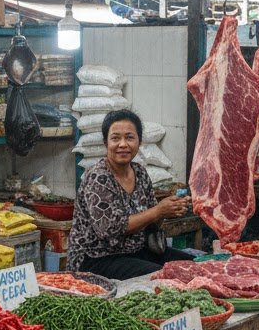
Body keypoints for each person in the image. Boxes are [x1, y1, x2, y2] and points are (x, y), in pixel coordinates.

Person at [68, 109, 192, 279]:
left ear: (139, 142)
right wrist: (158, 211)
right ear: (105, 142)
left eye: (129, 137)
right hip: (97, 259)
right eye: (115, 138)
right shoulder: (98, 177)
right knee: (161, 277)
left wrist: (171, 209)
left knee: (192, 265)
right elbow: (110, 229)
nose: (123, 144)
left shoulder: (140, 173)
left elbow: (151, 220)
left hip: (135, 252)